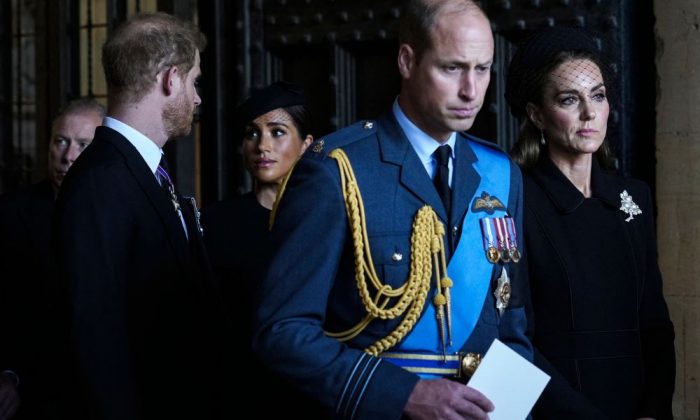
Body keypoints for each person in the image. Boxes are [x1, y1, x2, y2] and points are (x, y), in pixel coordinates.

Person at [252, 1, 532, 419]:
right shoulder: (337, 171)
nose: (471, 91)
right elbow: (281, 332)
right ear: (407, 61)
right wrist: (403, 394)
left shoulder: (500, 174)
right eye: (452, 68)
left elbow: (512, 327)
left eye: (483, 69)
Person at [51, 12, 225, 420]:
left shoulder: (142, 171)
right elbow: (95, 340)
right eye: (195, 82)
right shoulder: (100, 182)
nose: (198, 98)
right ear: (171, 78)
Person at [505, 26, 676, 419]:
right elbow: (513, 340)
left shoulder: (634, 197)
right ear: (537, 115)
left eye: (598, 96)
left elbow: (655, 322)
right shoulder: (515, 201)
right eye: (570, 99)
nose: (589, 113)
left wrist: (653, 411)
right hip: (561, 410)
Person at [201, 80, 318, 415]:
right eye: (252, 133)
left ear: (306, 144)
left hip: (309, 395)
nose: (262, 146)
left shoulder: (327, 222)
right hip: (236, 394)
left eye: (278, 132)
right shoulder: (216, 223)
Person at [0, 98, 104, 419]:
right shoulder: (11, 214)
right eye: (61, 141)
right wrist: (7, 374)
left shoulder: (118, 215)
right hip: (31, 392)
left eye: (83, 145)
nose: (68, 156)